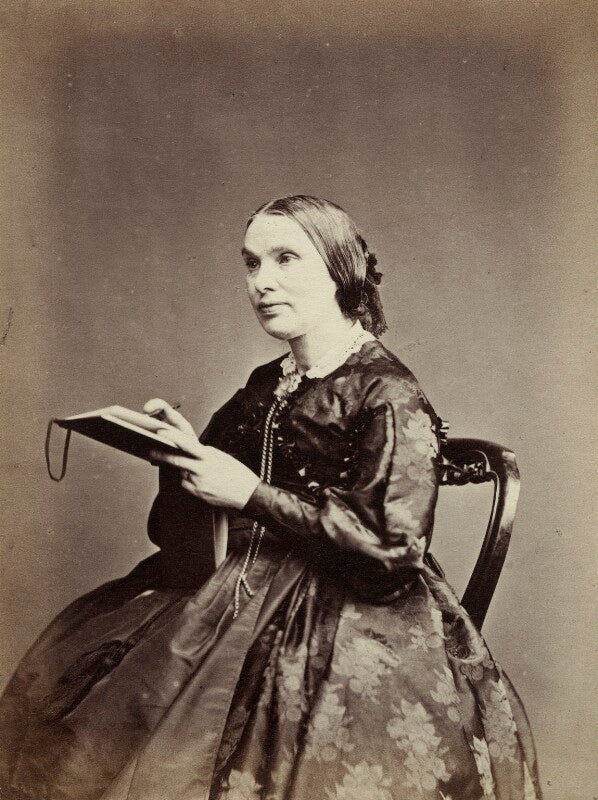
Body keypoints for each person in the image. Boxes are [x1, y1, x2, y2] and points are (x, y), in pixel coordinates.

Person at [0, 196, 541, 800]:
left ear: (339, 269)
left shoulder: (388, 391)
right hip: (233, 589)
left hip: (348, 613)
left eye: (286, 259)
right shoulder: (266, 382)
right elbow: (176, 538)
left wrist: (251, 495)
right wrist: (179, 458)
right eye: (252, 263)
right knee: (91, 709)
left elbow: (391, 555)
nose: (262, 281)